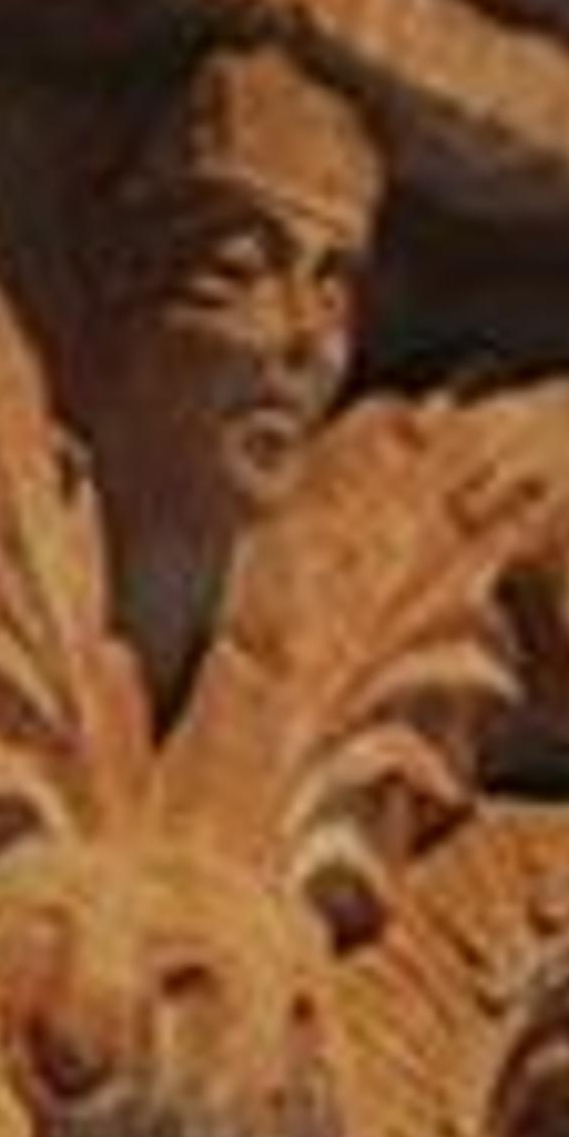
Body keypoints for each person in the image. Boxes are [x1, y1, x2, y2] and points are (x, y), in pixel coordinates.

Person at [90, 41, 387, 707]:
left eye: (333, 294)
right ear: (120, 295)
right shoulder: (47, 551)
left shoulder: (285, 642)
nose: (308, 341)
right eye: (239, 271)